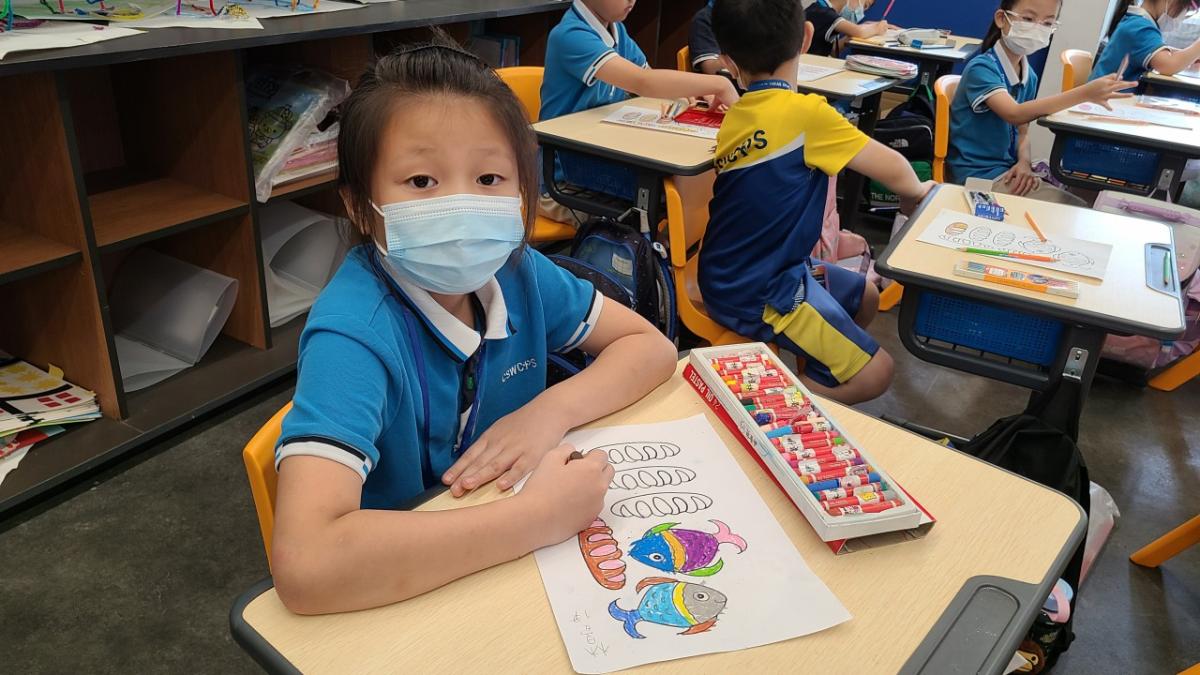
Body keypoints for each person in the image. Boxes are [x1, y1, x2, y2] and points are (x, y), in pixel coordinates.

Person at [270, 34, 678, 615]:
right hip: (405, 586)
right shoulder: (354, 335)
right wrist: (536, 517)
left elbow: (648, 347)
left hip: (503, 563)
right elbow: (307, 564)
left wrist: (550, 411)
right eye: (421, 182)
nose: (461, 205)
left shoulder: (518, 271)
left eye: (488, 179)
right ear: (361, 205)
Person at [702, 0, 936, 405]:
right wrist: (918, 191)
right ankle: (781, 404)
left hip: (747, 269)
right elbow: (895, 169)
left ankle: (820, 367)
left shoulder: (738, 114)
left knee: (866, 295)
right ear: (807, 37)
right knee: (878, 373)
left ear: (728, 61)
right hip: (758, 289)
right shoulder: (808, 115)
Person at [538, 0, 740, 223]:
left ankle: (669, 240)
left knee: (682, 185)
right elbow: (643, 82)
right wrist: (718, 85)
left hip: (600, 164)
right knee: (660, 199)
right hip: (563, 185)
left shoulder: (615, 30)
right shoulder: (570, 35)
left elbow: (651, 79)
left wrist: (686, 95)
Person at [947, 0, 1134, 202]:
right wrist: (1084, 93)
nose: (1037, 28)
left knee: (1077, 203)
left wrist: (1024, 162)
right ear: (1002, 18)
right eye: (1028, 19)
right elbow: (1014, 113)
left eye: (1047, 23)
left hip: (1008, 171)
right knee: (1072, 207)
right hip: (977, 177)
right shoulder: (982, 69)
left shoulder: (1029, 77)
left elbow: (1023, 132)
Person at [1091, 0, 1200, 81]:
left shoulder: (1138, 21)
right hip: (1103, 101)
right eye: (1186, 9)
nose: (1183, 15)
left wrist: (1190, 58)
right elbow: (1168, 65)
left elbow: (1163, 53)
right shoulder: (1139, 27)